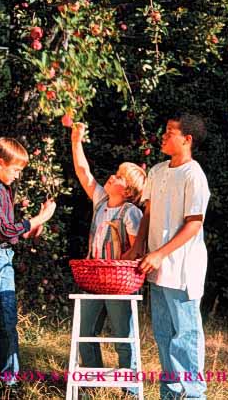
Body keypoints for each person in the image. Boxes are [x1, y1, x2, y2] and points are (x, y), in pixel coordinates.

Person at [0, 137, 56, 388]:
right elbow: (5, 229)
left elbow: (15, 233)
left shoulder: (4, 189)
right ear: (1, 163)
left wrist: (37, 223)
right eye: (16, 170)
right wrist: (37, 218)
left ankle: (9, 381)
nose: (17, 175)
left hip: (4, 257)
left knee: (7, 323)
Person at [134, 113, 210, 400]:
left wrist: (159, 253)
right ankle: (169, 394)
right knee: (164, 335)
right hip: (157, 268)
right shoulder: (155, 171)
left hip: (183, 270)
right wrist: (138, 247)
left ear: (187, 139)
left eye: (170, 132)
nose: (163, 136)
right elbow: (148, 213)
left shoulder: (194, 175)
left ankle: (193, 395)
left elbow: (194, 223)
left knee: (186, 336)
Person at [71, 123, 146, 398]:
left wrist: (120, 264)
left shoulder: (130, 212)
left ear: (127, 191)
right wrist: (76, 140)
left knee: (123, 338)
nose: (112, 177)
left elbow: (136, 248)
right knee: (86, 334)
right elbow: (83, 172)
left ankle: (130, 389)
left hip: (119, 284)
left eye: (118, 177)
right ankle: (91, 384)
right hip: (93, 280)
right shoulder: (101, 201)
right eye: (115, 174)